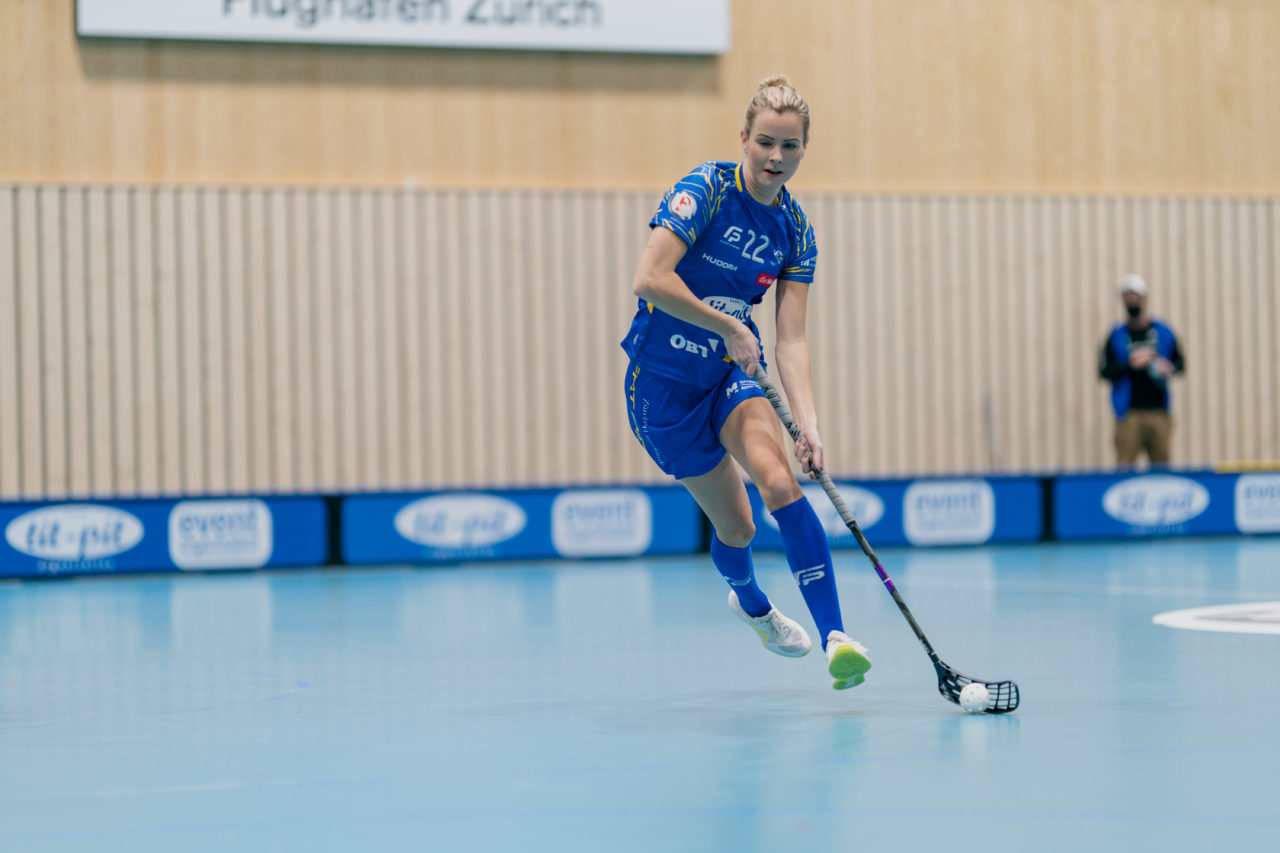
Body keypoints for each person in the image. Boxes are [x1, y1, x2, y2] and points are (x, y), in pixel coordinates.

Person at [621, 75, 871, 690]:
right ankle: (751, 603)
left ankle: (837, 636)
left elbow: (789, 339)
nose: (775, 159)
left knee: (781, 478)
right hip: (663, 389)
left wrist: (810, 426)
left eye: (789, 147)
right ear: (743, 139)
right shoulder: (704, 188)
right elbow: (650, 278)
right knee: (737, 529)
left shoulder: (796, 232)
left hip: (731, 378)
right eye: (764, 143)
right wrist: (724, 323)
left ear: (803, 150)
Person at [1098, 274, 1185, 466]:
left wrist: (1167, 367)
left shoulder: (1163, 331)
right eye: (1127, 296)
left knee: (1161, 466)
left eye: (1135, 296)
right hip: (1129, 414)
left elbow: (1180, 364)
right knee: (1125, 465)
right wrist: (1131, 364)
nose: (1132, 300)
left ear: (1144, 298)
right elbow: (1104, 371)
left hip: (1159, 411)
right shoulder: (1117, 335)